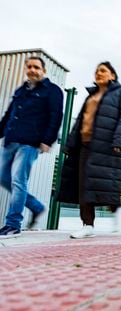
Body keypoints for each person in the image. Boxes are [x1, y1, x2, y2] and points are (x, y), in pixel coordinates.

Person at [58, 61, 121, 239]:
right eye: (96, 71)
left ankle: (117, 208)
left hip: (107, 146)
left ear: (112, 75)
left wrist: (118, 140)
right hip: (85, 146)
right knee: (84, 186)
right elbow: (79, 122)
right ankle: (87, 225)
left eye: (103, 71)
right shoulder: (90, 96)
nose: (98, 73)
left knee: (106, 184)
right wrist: (70, 143)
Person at [0, 56, 64, 238]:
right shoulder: (21, 90)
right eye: (29, 67)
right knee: (3, 178)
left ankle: (13, 224)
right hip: (11, 140)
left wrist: (48, 140)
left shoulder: (52, 91)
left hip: (30, 143)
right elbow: (8, 115)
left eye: (36, 67)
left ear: (43, 70)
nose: (32, 70)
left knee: (18, 181)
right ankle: (36, 206)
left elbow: (56, 116)